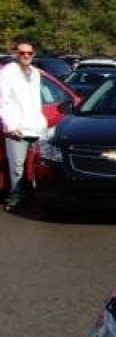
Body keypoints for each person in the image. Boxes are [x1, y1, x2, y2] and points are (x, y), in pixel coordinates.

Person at [1, 38, 49, 212]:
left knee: (38, 165)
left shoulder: (35, 73)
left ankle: (33, 195)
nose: (26, 56)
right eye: (22, 53)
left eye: (29, 53)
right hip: (17, 129)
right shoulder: (7, 73)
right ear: (15, 54)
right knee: (17, 167)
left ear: (34, 55)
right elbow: (3, 102)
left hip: (37, 127)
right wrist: (10, 125)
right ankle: (15, 197)